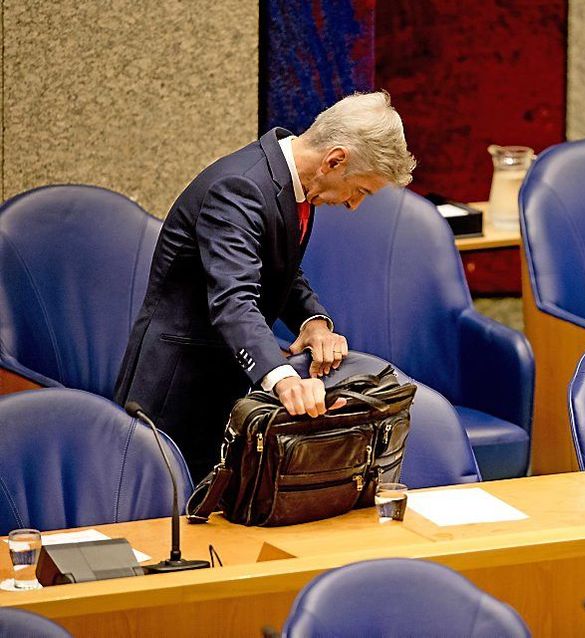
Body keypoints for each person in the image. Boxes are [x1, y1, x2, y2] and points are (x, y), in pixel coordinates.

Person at [115, 91, 416, 480]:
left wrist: (312, 321)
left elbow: (276, 268)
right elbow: (233, 301)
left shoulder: (293, 183)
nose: (354, 204)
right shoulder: (238, 188)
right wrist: (285, 378)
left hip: (224, 386)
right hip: (176, 392)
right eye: (360, 190)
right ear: (335, 160)